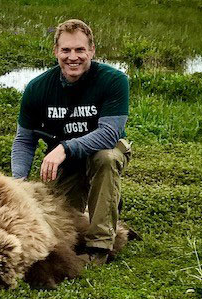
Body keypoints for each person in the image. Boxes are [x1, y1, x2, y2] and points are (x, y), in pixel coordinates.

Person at [11, 19, 131, 265]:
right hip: (66, 163)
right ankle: (107, 214)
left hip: (100, 151)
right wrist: (18, 182)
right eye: (66, 50)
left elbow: (110, 133)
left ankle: (100, 247)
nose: (73, 57)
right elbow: (25, 139)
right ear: (56, 51)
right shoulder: (38, 88)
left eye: (80, 50)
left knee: (106, 159)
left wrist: (65, 147)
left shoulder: (114, 80)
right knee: (65, 221)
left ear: (92, 51)